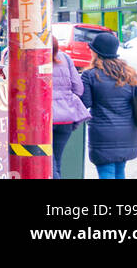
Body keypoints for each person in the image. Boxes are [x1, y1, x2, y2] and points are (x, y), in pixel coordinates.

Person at [78, 32, 137, 179]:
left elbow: (85, 103)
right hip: (128, 133)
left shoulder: (90, 75)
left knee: (106, 173)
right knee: (119, 171)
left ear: (96, 52)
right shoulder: (130, 74)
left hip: (102, 133)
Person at [51, 35, 90, 179]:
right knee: (56, 163)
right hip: (66, 119)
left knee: (50, 165)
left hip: (45, 119)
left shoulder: (32, 58)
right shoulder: (66, 58)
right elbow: (78, 88)